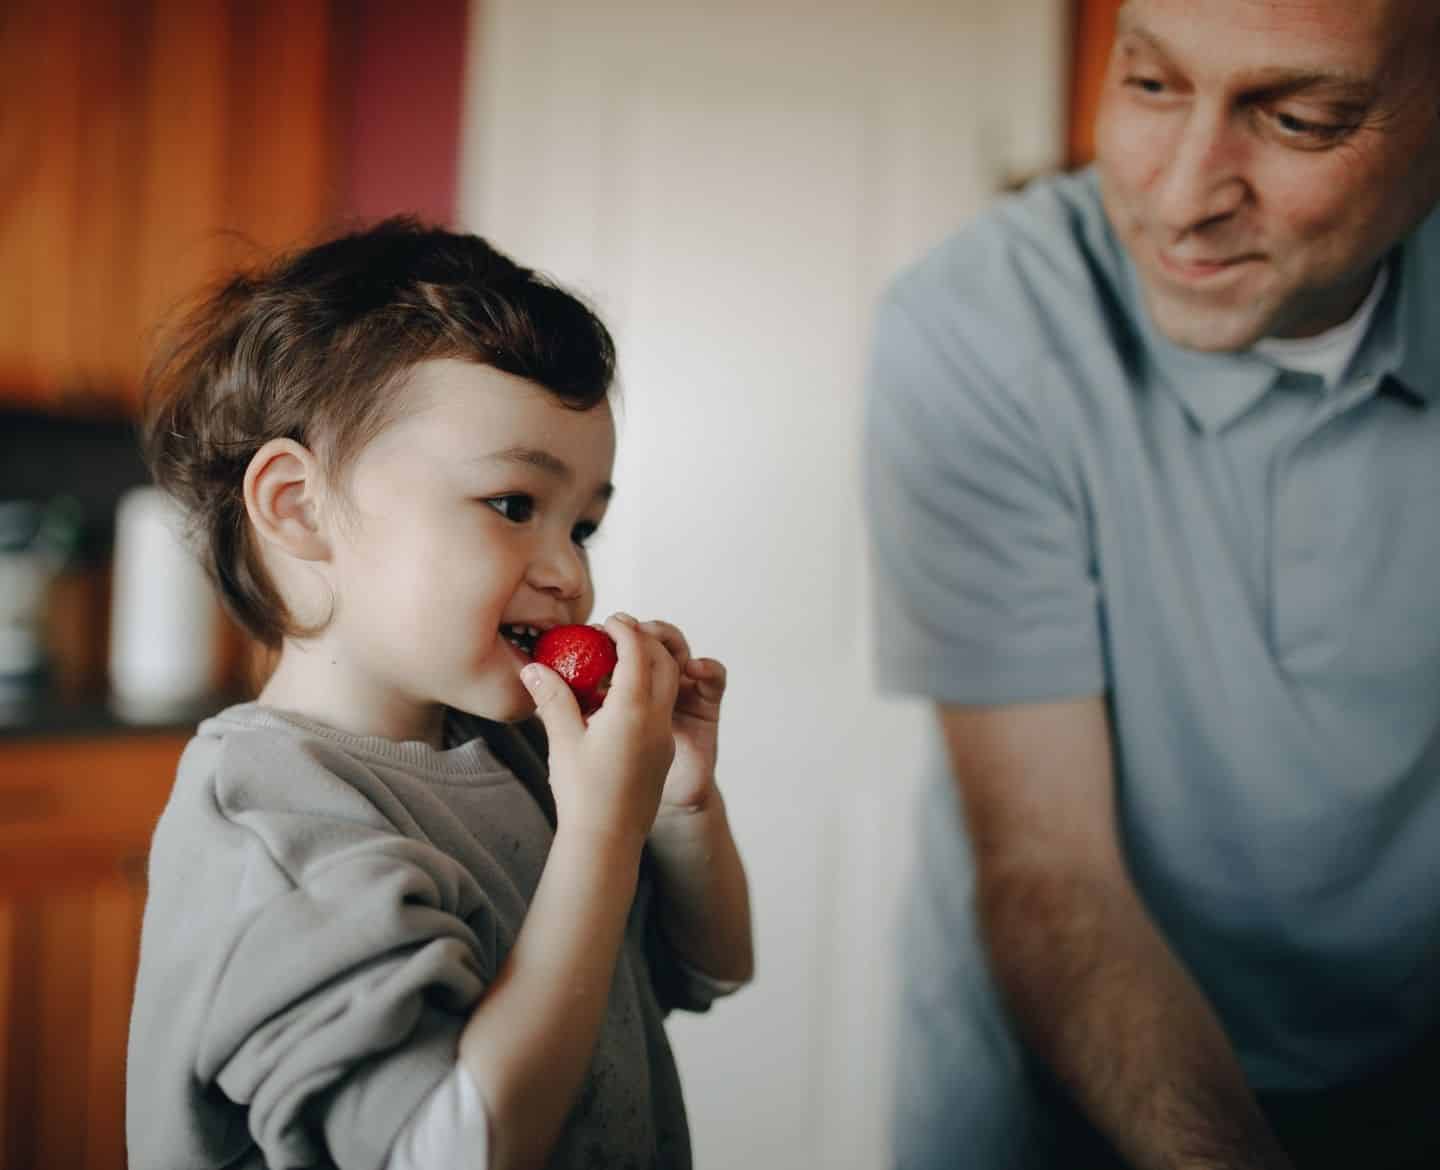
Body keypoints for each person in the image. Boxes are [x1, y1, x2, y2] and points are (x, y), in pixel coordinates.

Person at [863, 0, 1440, 1167]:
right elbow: (1052, 870)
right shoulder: (976, 327)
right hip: (1055, 1085)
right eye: (1151, 84)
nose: (1181, 198)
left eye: (1300, 118)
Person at [126, 218, 753, 1170]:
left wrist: (674, 801)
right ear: (299, 507)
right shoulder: (274, 826)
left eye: (582, 525)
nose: (568, 575)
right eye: (514, 506)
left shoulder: (525, 752)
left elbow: (712, 967)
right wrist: (600, 832)